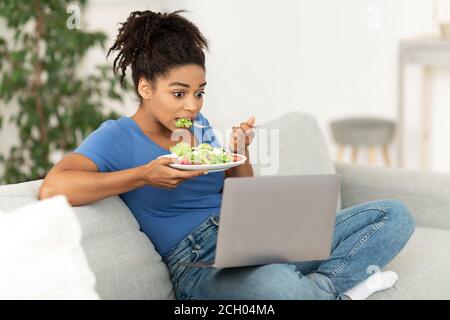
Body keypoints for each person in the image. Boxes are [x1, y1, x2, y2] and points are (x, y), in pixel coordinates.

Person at [39, 10, 415, 300]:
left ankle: (320, 287)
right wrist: (143, 175)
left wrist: (239, 153)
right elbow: (54, 187)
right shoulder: (117, 136)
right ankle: (336, 287)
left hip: (249, 237)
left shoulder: (198, 127)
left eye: (200, 92)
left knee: (393, 215)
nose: (192, 105)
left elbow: (241, 196)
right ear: (146, 87)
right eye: (179, 92)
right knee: (279, 285)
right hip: (198, 263)